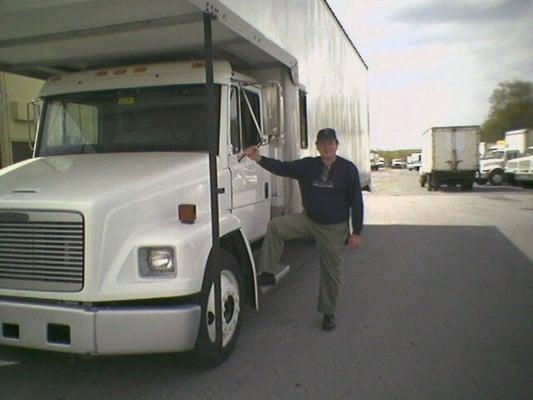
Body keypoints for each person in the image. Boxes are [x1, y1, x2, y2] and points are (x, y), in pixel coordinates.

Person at [243, 128, 363, 331]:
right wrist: (259, 159)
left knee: (330, 272)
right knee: (276, 226)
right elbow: (282, 167)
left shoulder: (348, 169)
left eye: (330, 143)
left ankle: (328, 313)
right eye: (323, 143)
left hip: (334, 228)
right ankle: (268, 273)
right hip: (309, 221)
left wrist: (357, 232)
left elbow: (356, 202)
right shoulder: (308, 166)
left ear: (336, 145)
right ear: (317, 146)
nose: (327, 147)